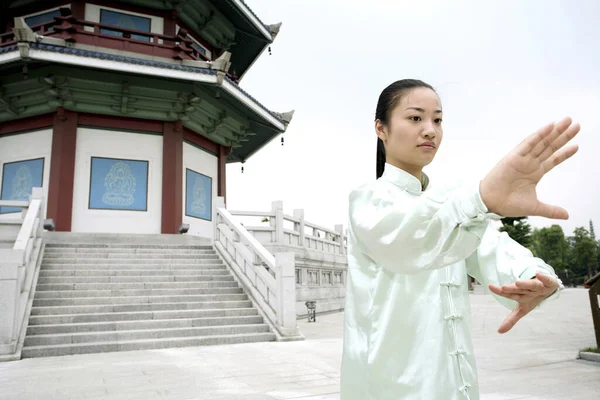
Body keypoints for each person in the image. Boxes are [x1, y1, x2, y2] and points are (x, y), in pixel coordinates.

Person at [340, 79, 579, 400]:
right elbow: (409, 241)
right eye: (415, 118)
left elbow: (492, 246)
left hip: (453, 384)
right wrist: (481, 198)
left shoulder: (448, 201)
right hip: (393, 382)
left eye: (437, 120)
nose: (430, 130)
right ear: (380, 128)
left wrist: (533, 277)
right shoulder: (368, 199)